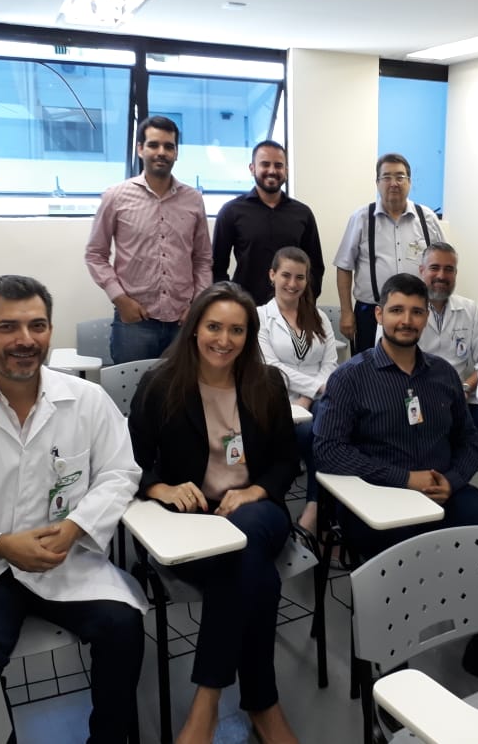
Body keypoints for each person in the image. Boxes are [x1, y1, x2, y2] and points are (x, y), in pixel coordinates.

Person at [0, 275, 146, 743]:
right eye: (7, 327)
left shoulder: (87, 401)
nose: (25, 339)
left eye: (37, 325)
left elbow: (120, 473)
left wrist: (76, 526)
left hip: (65, 561)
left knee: (123, 626)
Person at [313, 273, 478, 684]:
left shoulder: (443, 374)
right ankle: (393, 675)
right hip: (378, 501)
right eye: (397, 310)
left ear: (427, 316)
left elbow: (468, 441)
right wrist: (403, 478)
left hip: (444, 492)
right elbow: (328, 451)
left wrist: (454, 479)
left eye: (416, 311)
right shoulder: (351, 377)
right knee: (402, 562)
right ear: (379, 315)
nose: (406, 320)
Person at [128, 281, 300, 744]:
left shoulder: (267, 384)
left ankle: (205, 704)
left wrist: (257, 490)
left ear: (249, 336)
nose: (224, 340)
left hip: (256, 512)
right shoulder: (160, 385)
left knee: (244, 542)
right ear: (194, 328)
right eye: (214, 327)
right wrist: (161, 487)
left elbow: (287, 459)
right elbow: (128, 462)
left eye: (236, 330)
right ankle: (262, 704)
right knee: (253, 576)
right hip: (190, 521)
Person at [85, 115, 212, 363]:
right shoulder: (115, 197)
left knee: (182, 387)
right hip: (134, 322)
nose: (161, 152)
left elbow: (203, 259)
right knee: (130, 387)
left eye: (169, 146)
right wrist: (120, 299)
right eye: (154, 145)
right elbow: (95, 255)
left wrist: (197, 305)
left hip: (182, 322)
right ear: (140, 149)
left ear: (176, 153)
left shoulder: (194, 200)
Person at [404, 241, 478, 498]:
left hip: (463, 398)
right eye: (435, 268)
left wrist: (466, 386)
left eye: (449, 269)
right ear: (421, 271)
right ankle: (425, 491)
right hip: (417, 399)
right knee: (418, 435)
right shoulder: (405, 310)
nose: (441, 275)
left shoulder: (469, 309)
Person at [257, 246, 338, 536]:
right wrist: (314, 389)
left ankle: (315, 507)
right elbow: (272, 367)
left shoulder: (319, 317)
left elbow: (331, 363)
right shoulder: (259, 317)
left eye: (300, 277)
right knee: (315, 434)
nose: (293, 283)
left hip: (318, 400)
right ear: (272, 275)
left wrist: (309, 396)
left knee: (329, 431)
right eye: (286, 275)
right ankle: (314, 509)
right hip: (279, 402)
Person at [332, 153, 444, 354]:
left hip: (418, 312)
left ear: (409, 182)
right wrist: (347, 312)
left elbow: (442, 266)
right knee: (369, 369)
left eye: (400, 177)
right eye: (386, 177)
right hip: (372, 313)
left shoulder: (427, 219)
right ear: (377, 183)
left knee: (419, 366)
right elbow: (344, 266)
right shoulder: (361, 218)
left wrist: (439, 307)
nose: (394, 183)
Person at [212, 141, 324, 306]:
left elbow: (315, 266)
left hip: (292, 309)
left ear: (286, 171)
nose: (272, 171)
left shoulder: (303, 214)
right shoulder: (231, 211)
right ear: (252, 168)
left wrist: (306, 301)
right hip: (247, 308)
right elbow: (217, 267)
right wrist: (228, 302)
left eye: (278, 165)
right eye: (265, 164)